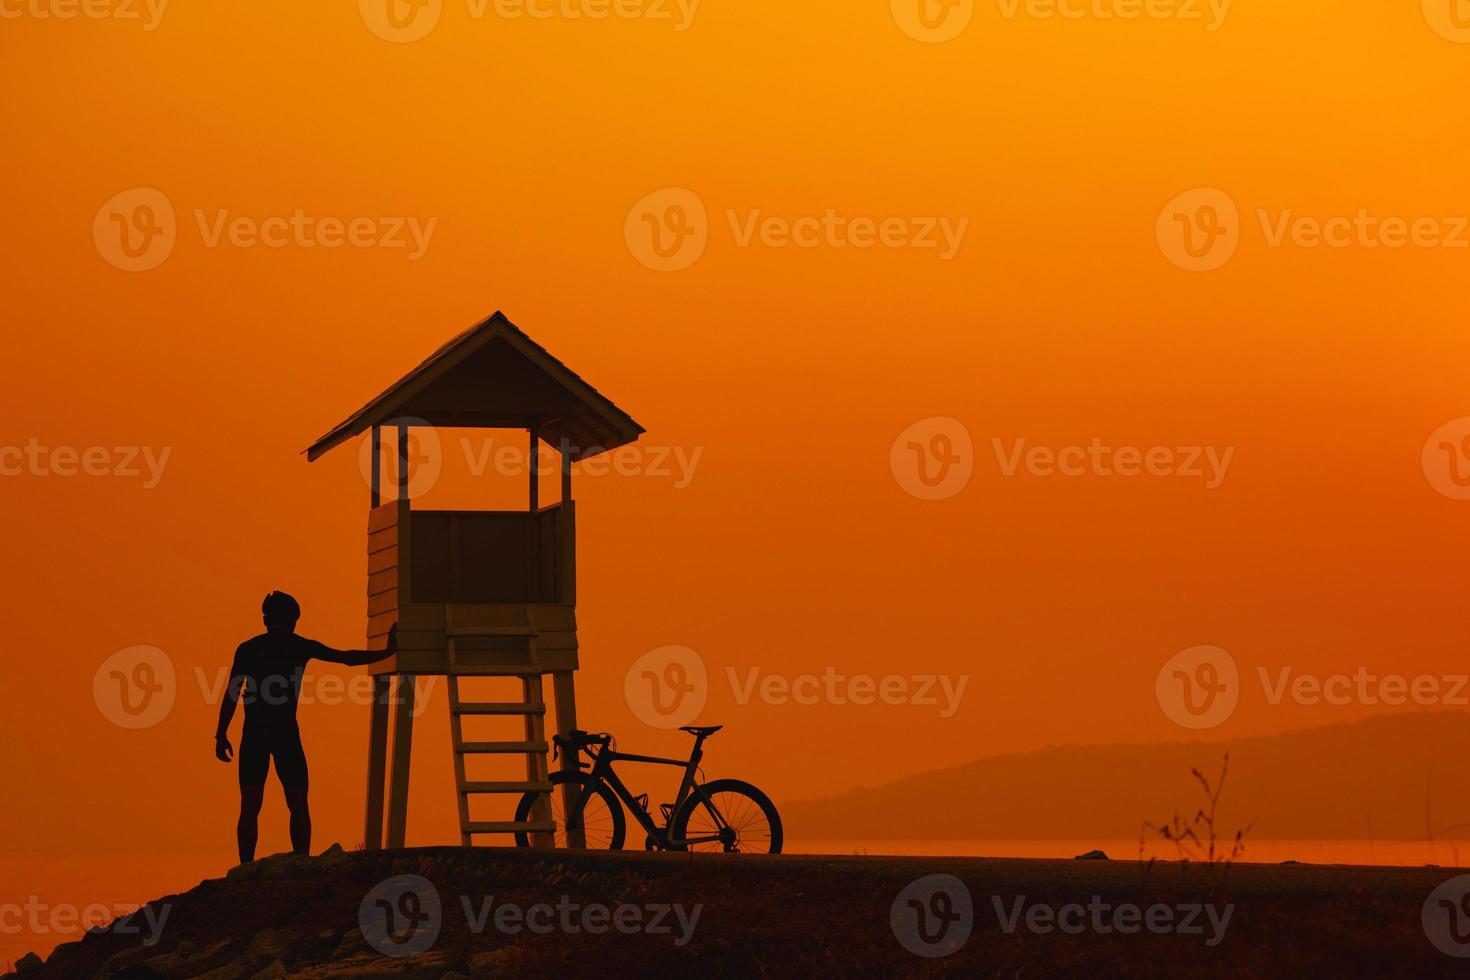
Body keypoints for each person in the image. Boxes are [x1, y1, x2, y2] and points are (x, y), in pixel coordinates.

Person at [214, 591, 396, 864]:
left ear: (265, 618)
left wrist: (221, 734)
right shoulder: (297, 646)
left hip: (255, 734)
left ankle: (247, 865)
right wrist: (387, 652)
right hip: (284, 734)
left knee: (251, 805)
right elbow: (346, 657)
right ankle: (301, 861)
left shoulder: (249, 648)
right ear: (294, 620)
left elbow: (231, 693)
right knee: (297, 804)